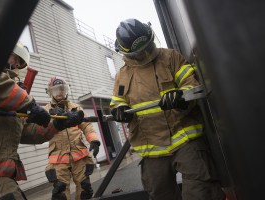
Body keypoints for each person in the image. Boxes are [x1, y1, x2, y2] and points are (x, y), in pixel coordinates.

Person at [110, 18, 226, 200]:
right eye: (140, 53)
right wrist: (119, 110)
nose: (147, 53)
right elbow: (117, 101)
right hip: (151, 147)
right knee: (159, 194)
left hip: (184, 138)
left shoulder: (171, 57)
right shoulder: (121, 76)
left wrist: (181, 97)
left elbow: (191, 84)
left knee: (201, 189)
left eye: (148, 47)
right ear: (126, 53)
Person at [0, 42, 80, 200]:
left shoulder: (15, 96)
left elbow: (28, 132)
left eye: (21, 62)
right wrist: (30, 105)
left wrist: (57, 124)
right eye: (16, 58)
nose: (18, 64)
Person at [44, 76, 101, 200]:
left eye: (62, 89)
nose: (60, 93)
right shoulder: (46, 111)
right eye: (56, 90)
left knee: (85, 190)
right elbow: (40, 131)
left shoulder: (76, 108)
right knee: (60, 193)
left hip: (79, 155)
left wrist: (94, 140)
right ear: (50, 92)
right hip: (58, 158)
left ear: (67, 91)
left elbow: (87, 126)